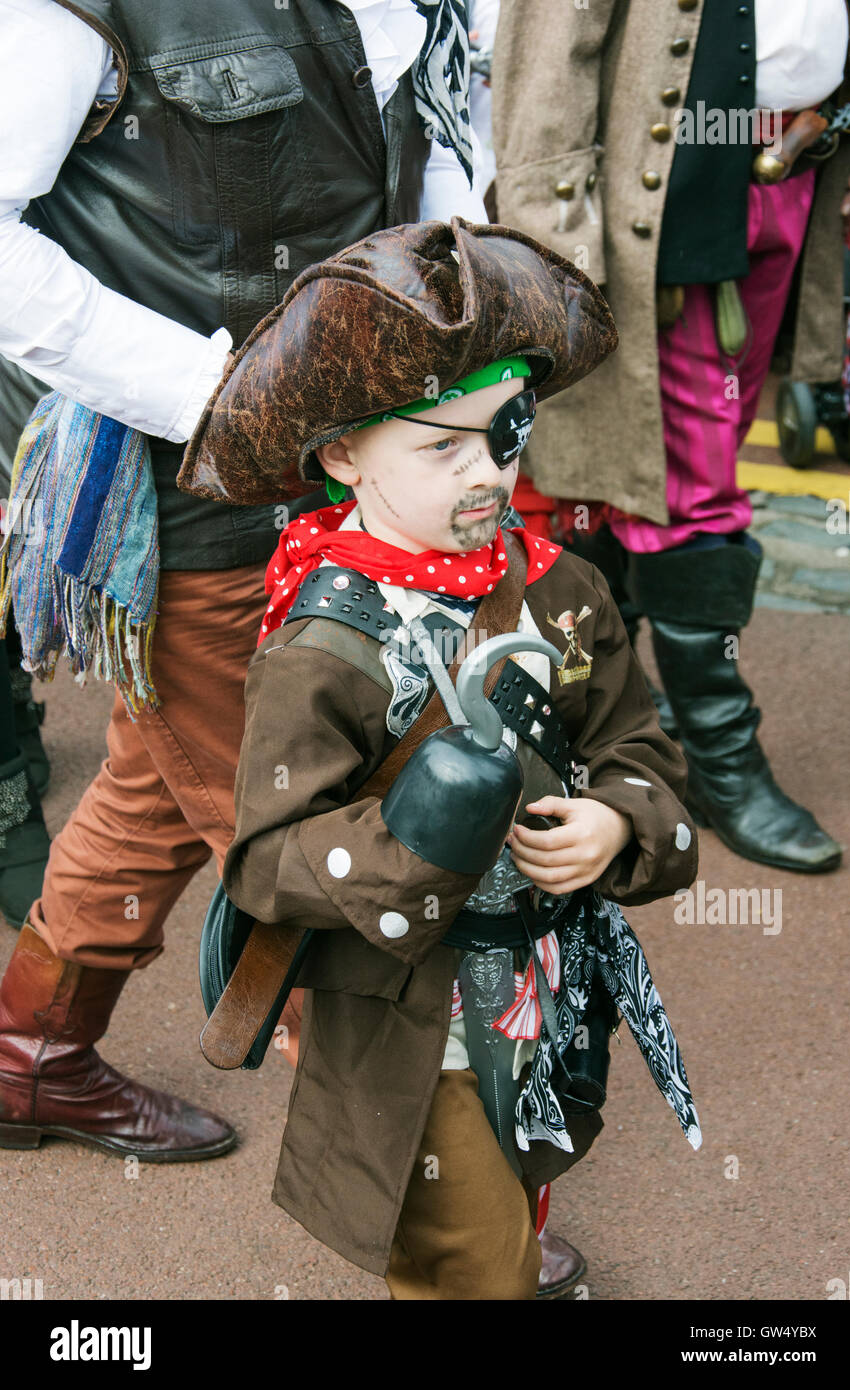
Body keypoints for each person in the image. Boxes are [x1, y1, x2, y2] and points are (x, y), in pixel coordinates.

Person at [0, 0, 486, 1160]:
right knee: (308, 813)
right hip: (179, 480)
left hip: (345, 453)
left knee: (164, 780)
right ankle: (424, 1181)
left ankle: (29, 1055)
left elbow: (436, 166)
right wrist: (206, 390)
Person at [195, 217, 702, 1299]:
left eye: (503, 435)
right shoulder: (323, 643)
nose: (486, 472)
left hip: (548, 980)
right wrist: (421, 829)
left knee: (520, 1194)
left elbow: (638, 747)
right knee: (465, 1262)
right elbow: (265, 860)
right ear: (342, 454)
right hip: (415, 1018)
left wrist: (619, 819)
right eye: (441, 446)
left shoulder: (560, 586)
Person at [491, 0, 850, 873]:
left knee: (689, 458)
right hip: (663, 201)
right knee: (688, 482)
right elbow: (550, 58)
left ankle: (599, 716)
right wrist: (561, 255)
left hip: (791, 168)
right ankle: (721, 763)